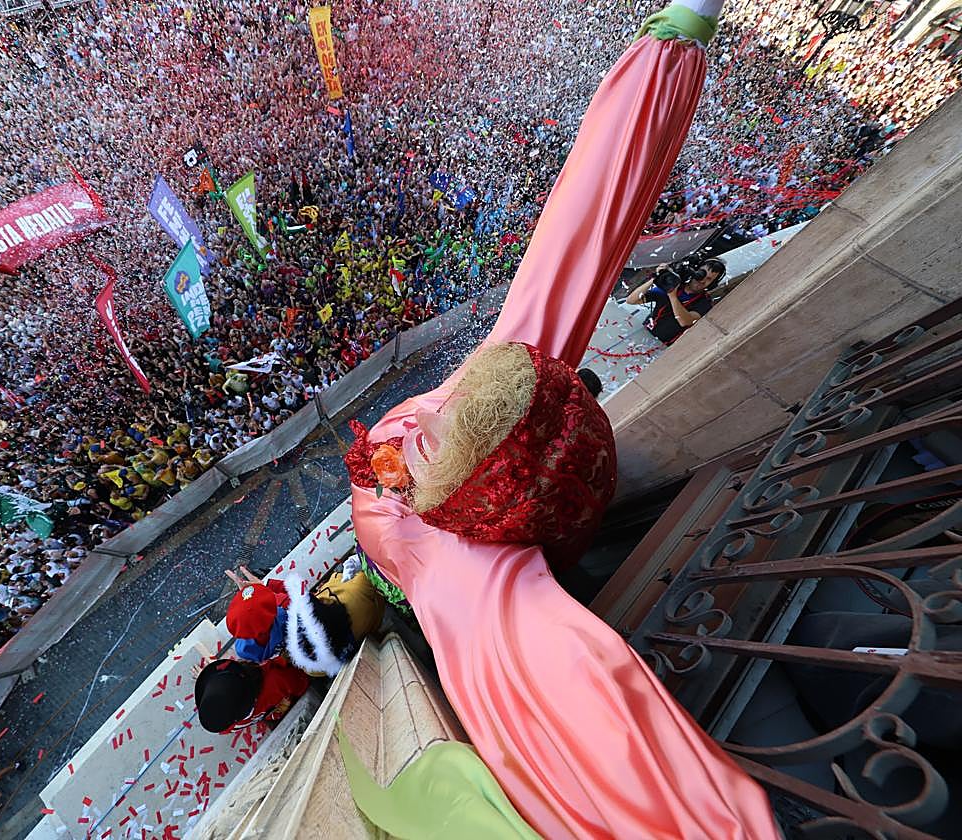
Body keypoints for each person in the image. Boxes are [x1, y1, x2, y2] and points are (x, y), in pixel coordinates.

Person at [345, 2, 781, 837]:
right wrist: (674, 45)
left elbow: (585, 692)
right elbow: (577, 235)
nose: (438, 414)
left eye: (453, 425)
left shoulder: (470, 569)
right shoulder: (488, 400)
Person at [194, 657, 309, 733]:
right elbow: (303, 681)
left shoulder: (227, 724)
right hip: (295, 690)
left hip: (272, 716)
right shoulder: (276, 680)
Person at [626, 257, 726, 345]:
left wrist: (672, 296)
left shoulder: (705, 302)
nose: (702, 280)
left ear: (713, 284)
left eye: (709, 279)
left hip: (663, 345)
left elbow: (685, 321)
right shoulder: (675, 284)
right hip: (643, 332)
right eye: (701, 273)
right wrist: (658, 277)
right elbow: (631, 300)